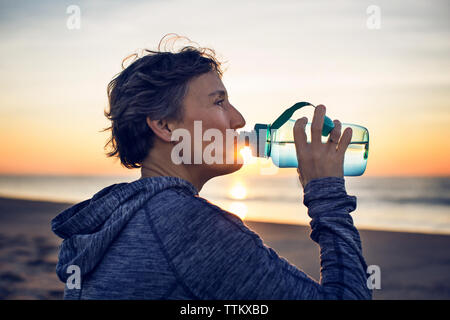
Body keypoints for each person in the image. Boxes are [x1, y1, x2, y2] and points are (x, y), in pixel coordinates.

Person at [51, 35, 372, 300]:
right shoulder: (184, 224)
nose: (239, 120)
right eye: (219, 102)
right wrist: (326, 192)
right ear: (164, 125)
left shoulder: (123, 215)